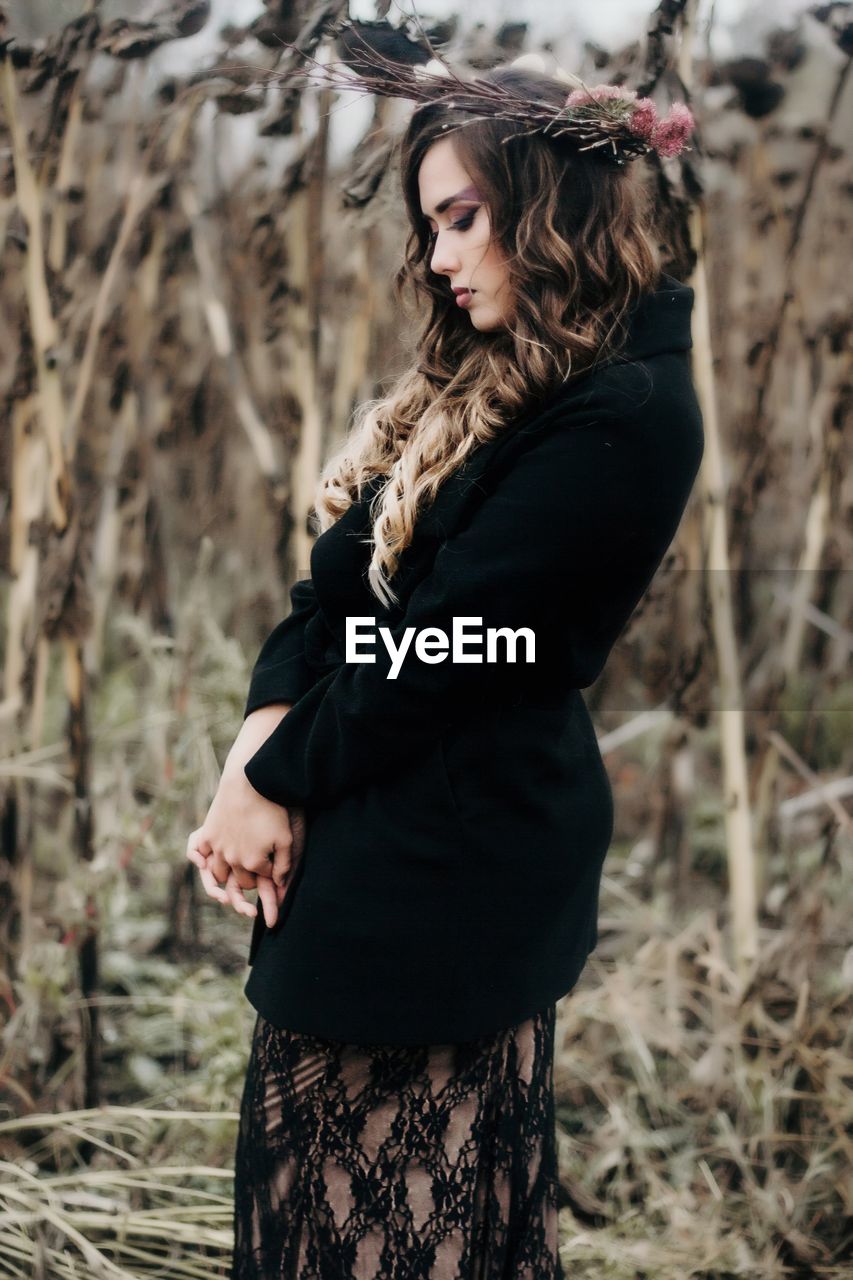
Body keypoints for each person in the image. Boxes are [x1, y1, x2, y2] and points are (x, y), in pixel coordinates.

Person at [186, 57, 703, 1280]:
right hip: (376, 826)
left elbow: (454, 649)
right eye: (430, 226)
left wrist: (274, 777)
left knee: (411, 1229)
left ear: (551, 207)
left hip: (454, 867)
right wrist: (253, 741)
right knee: (321, 1211)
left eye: (464, 219)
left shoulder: (624, 408)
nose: (438, 258)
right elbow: (334, 587)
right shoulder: (487, 376)